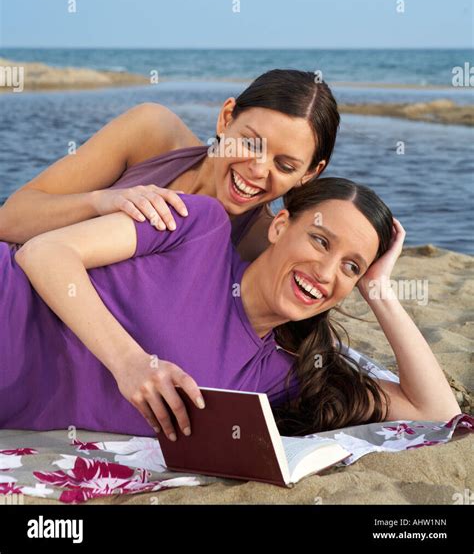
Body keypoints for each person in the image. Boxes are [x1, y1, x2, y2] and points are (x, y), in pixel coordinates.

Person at [2, 178, 459, 440]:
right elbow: (42, 253)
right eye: (320, 241)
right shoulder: (201, 228)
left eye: (351, 267)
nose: (325, 271)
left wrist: (378, 289)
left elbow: (437, 411)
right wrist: (130, 362)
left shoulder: (284, 373)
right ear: (280, 225)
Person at [0, 70, 340, 261]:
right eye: (251, 143)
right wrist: (100, 201)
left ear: (309, 174)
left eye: (284, 165)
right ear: (225, 119)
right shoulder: (152, 131)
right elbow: (10, 219)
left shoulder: (261, 246)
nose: (257, 169)